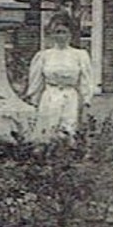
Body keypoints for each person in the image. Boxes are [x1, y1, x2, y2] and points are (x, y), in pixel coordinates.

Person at [25, 11, 97, 139]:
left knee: (67, 131)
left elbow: (86, 81)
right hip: (49, 98)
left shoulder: (80, 55)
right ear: (51, 35)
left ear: (70, 34)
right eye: (57, 32)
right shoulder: (43, 56)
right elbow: (36, 82)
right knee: (46, 131)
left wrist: (86, 103)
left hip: (70, 98)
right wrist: (33, 103)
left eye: (64, 32)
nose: (61, 36)